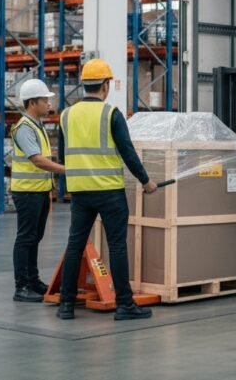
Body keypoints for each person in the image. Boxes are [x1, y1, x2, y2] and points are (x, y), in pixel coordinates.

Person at [56, 58, 159, 321]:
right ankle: (125, 305)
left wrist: (65, 188)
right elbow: (128, 153)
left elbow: (62, 155)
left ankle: (66, 305)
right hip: (110, 192)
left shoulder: (66, 115)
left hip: (80, 192)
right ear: (106, 85)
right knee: (117, 247)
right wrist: (146, 181)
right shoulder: (111, 114)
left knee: (74, 245)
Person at [10, 79, 66, 303]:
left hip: (40, 192)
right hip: (27, 193)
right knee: (26, 239)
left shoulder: (37, 125)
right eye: (45, 100)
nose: (48, 104)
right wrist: (67, 170)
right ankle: (21, 286)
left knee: (35, 237)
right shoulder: (24, 128)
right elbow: (38, 160)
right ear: (32, 102)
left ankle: (33, 281)